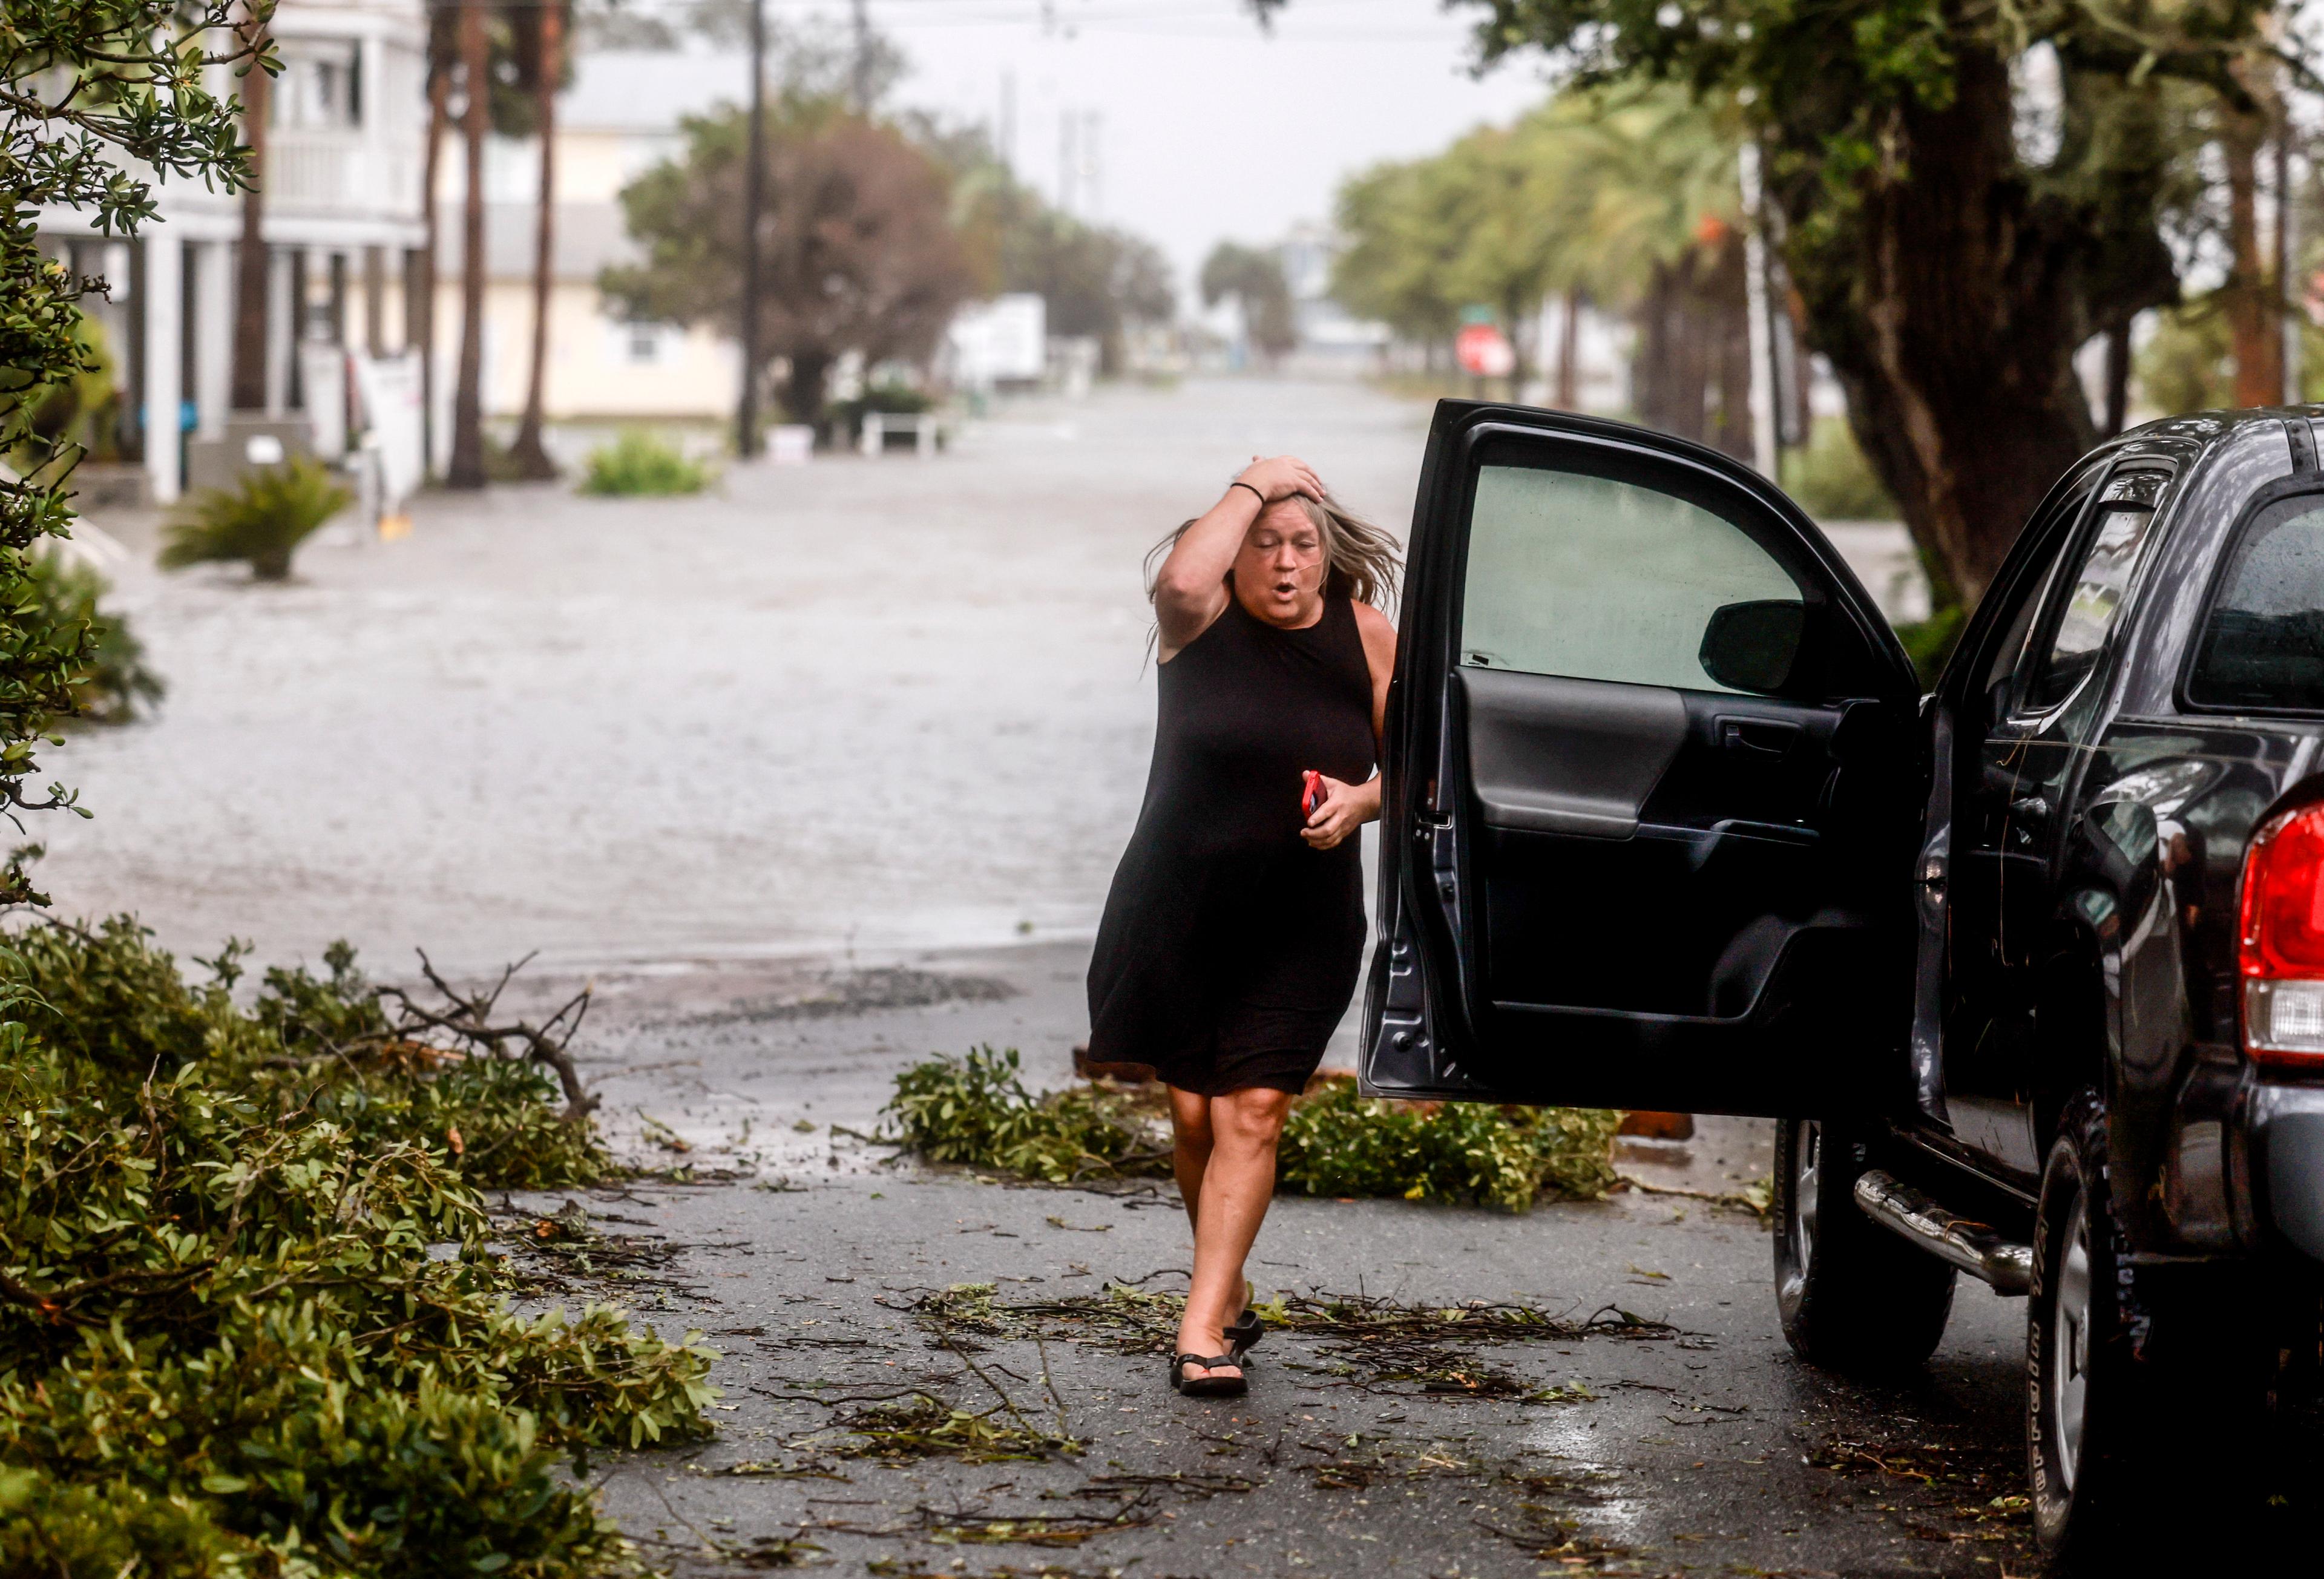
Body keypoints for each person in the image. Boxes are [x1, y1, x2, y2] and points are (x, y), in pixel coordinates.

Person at [1085, 453, 1400, 1397]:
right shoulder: (1199, 623)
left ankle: (1200, 1327)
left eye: (1303, 544)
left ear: (1328, 552)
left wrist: (1363, 801)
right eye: (1264, 544)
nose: (1285, 561)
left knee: (1251, 1110)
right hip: (1174, 908)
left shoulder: (1370, 635)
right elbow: (1181, 575)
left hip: (1302, 922)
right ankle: (1229, 1283)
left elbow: (1422, 765)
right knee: (1192, 1114)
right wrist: (1256, 480)